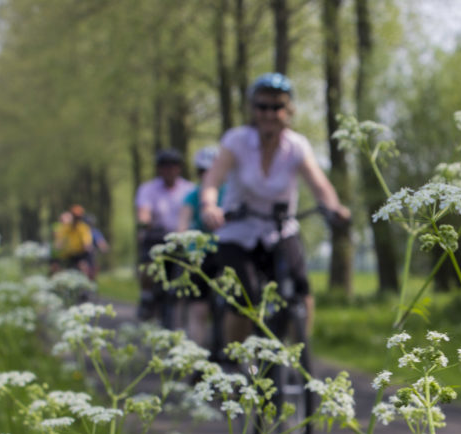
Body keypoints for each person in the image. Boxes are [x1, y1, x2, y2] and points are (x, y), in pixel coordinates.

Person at [199, 72, 351, 346]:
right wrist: (210, 205)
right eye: (262, 106)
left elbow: (320, 185)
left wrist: (334, 207)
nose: (269, 113)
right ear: (253, 109)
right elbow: (213, 178)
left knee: (301, 287)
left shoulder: (297, 146)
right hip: (238, 229)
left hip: (279, 229)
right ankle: (241, 362)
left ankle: (299, 354)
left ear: (288, 110)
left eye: (277, 107)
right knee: (245, 295)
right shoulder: (236, 141)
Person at [134, 148, 196, 322]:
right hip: (156, 236)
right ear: (159, 169)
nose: (169, 170)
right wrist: (145, 221)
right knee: (148, 264)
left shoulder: (189, 188)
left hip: (181, 238)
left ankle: (183, 305)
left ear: (179, 168)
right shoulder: (148, 189)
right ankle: (146, 296)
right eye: (164, 166)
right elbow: (143, 211)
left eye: (173, 166)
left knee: (189, 269)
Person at [178, 145, 225, 352]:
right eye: (203, 172)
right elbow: (182, 224)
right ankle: (196, 359)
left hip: (227, 251)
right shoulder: (192, 196)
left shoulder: (233, 192)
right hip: (201, 254)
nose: (207, 176)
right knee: (199, 309)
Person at [51, 205, 94, 279]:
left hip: (81, 253)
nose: (76, 219)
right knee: (61, 269)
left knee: (83, 267)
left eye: (78, 217)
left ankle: (86, 282)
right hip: (69, 254)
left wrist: (87, 246)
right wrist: (58, 245)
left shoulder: (83, 227)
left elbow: (86, 241)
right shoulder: (66, 228)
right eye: (75, 217)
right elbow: (60, 240)